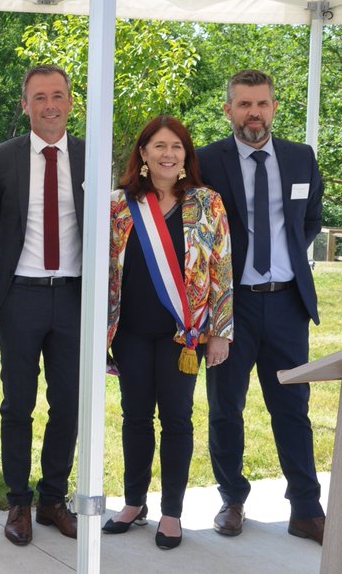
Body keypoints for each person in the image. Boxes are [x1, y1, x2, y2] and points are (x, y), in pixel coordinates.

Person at [197, 69, 326, 544]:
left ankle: (307, 509)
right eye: (245, 104)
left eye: (263, 104)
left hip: (288, 304)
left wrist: (285, 257)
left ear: (274, 107)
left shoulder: (300, 158)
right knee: (225, 407)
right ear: (229, 109)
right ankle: (232, 498)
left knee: (292, 407)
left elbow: (310, 218)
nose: (255, 113)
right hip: (232, 308)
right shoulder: (207, 160)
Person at [105, 115, 232, 551]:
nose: (167, 154)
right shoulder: (119, 204)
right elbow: (105, 271)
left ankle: (172, 513)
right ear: (142, 154)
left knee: (176, 420)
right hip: (131, 332)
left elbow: (221, 270)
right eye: (158, 146)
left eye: (176, 147)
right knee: (135, 417)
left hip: (185, 335)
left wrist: (220, 331)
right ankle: (134, 502)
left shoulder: (207, 203)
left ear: (186, 155)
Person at [0, 65, 83, 546]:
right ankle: (18, 500)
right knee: (17, 404)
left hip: (74, 299)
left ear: (69, 101)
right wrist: (2, 286)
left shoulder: (89, 156)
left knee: (67, 404)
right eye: (39, 97)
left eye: (57, 96)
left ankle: (52, 499)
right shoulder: (1, 159)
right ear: (25, 105)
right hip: (21, 296)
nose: (49, 105)